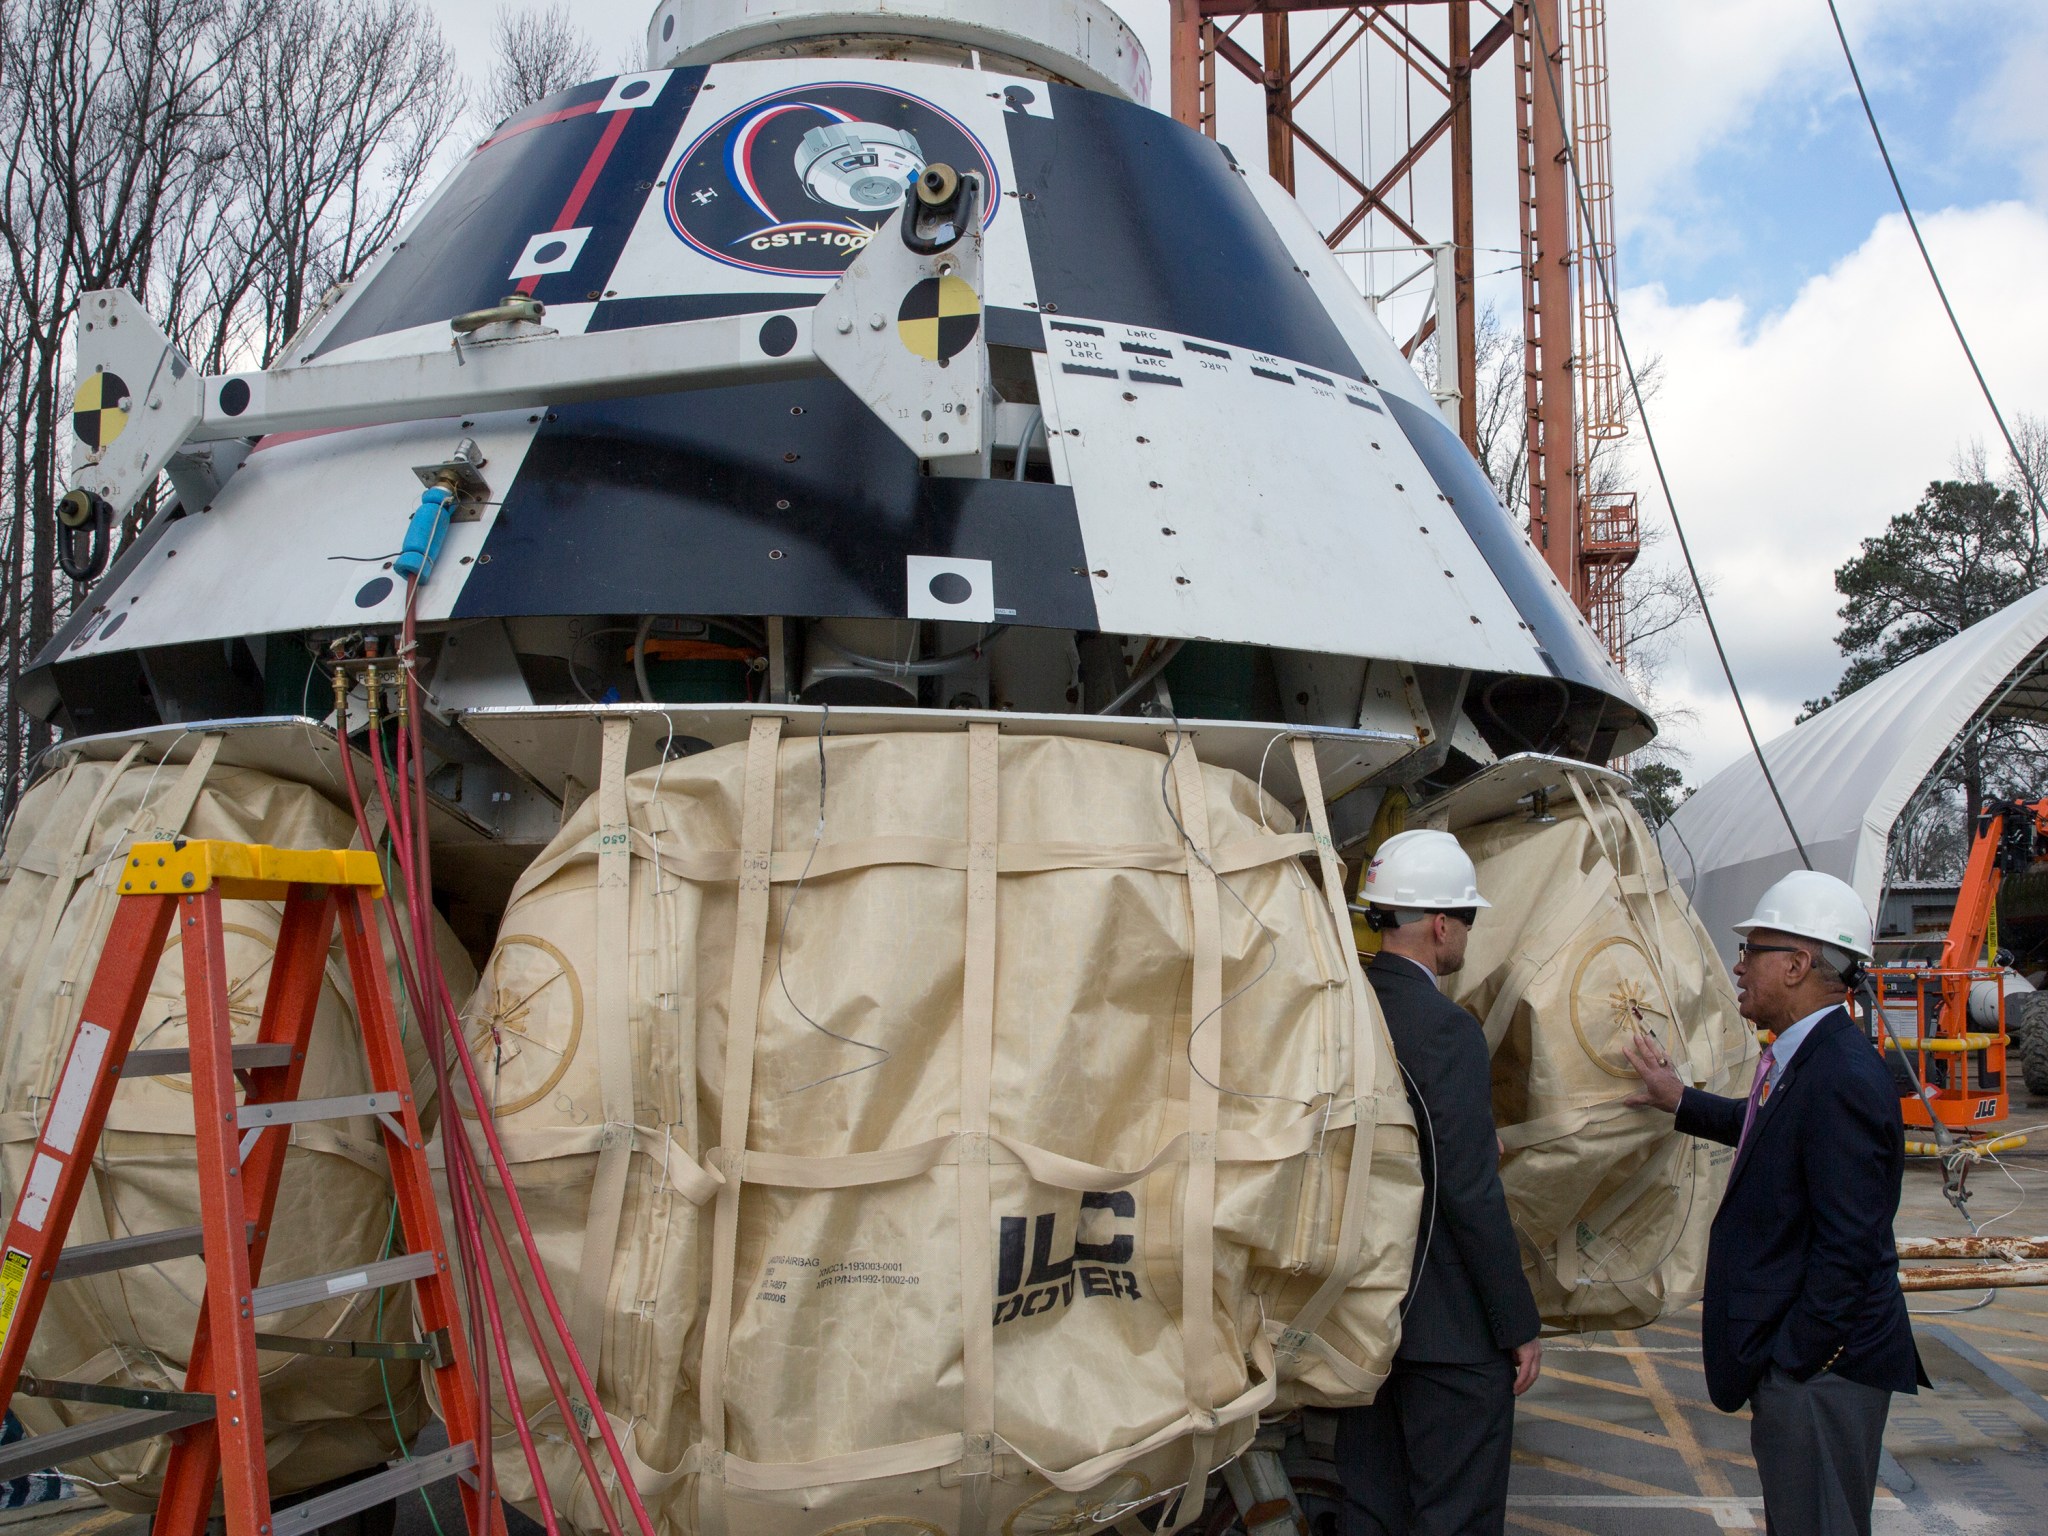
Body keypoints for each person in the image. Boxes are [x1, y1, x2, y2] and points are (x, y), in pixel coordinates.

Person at [1622, 869, 1926, 1536]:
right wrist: (1682, 1100)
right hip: (1810, 1364)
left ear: (1797, 964)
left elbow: (1851, 1245)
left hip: (1823, 1372)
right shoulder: (1810, 1058)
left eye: (1751, 951)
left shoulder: (1839, 1075)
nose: (1737, 967)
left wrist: (1796, 1360)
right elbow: (1777, 1133)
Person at [1337, 829, 1542, 1536]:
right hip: (1448, 1335)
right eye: (1468, 919)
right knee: (1454, 1517)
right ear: (1440, 923)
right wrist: (1516, 1325)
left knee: (1372, 1512)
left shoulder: (1344, 1009)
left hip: (1360, 1323)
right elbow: (1469, 1193)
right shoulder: (1445, 1030)